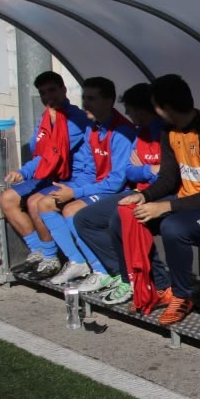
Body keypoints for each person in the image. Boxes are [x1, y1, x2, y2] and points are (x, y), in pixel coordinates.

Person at [115, 74, 200, 325]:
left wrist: (163, 206)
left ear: (167, 108)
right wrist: (143, 195)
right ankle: (158, 287)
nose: (154, 111)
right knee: (125, 217)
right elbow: (167, 177)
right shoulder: (169, 130)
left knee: (173, 227)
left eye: (156, 106)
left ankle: (183, 295)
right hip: (190, 201)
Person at [36, 77, 136, 289]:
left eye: (92, 99)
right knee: (44, 203)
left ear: (109, 101)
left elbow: (117, 182)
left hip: (120, 191)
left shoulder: (122, 132)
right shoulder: (93, 128)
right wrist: (74, 188)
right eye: (84, 98)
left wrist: (77, 192)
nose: (85, 104)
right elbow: (91, 168)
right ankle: (78, 261)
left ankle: (102, 270)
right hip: (98, 186)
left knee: (72, 210)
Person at [73, 83, 166, 306]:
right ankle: (122, 275)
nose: (128, 114)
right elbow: (130, 170)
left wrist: (148, 170)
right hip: (140, 190)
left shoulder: (165, 133)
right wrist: (149, 170)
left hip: (162, 194)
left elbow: (168, 176)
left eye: (130, 109)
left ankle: (146, 281)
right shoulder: (140, 133)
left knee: (121, 218)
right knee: (84, 219)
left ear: (142, 110)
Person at [4, 71, 90, 278]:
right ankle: (38, 251)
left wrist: (51, 125)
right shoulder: (47, 118)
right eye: (43, 93)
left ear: (63, 90)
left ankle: (52, 258)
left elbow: (53, 152)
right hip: (49, 173)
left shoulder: (75, 118)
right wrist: (22, 172)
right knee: (7, 198)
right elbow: (38, 149)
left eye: (52, 90)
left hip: (70, 177)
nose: (48, 96)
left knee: (35, 202)